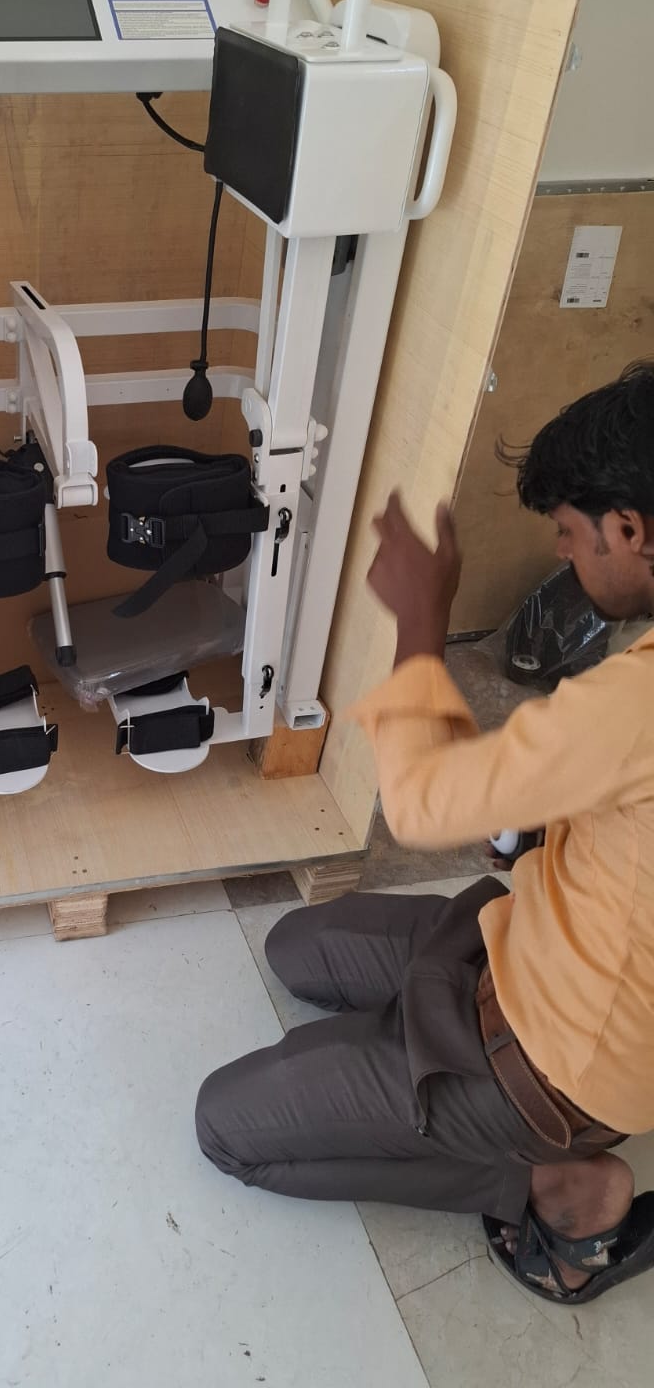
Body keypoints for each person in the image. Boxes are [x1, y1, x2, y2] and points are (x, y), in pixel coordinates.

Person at [196, 362, 654, 1305]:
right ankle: (424, 1069)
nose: (563, 553)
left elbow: (419, 810)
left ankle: (561, 1192)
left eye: (569, 534)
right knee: (297, 946)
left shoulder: (636, 702)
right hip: (531, 949)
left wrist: (420, 622)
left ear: (630, 529)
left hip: (554, 1065)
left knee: (226, 1127)